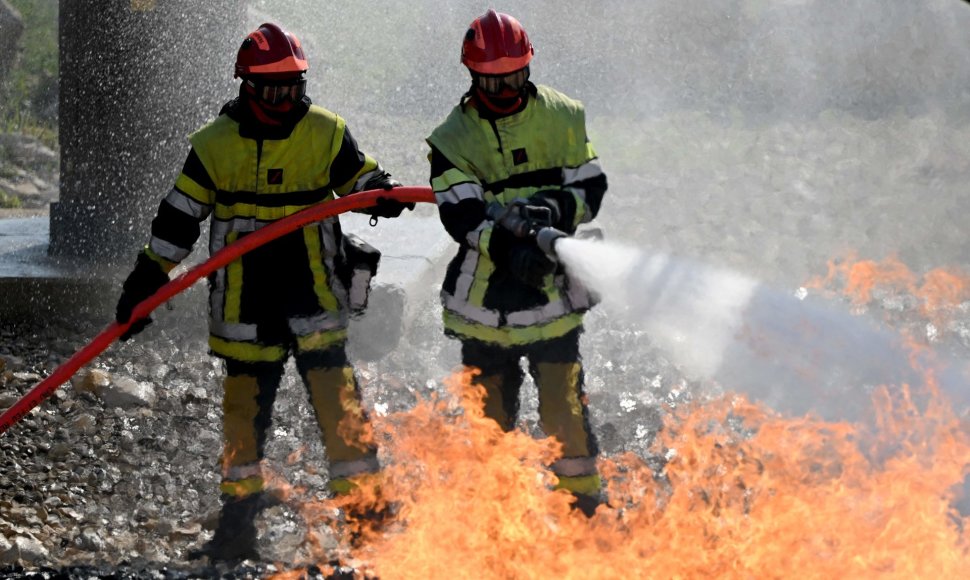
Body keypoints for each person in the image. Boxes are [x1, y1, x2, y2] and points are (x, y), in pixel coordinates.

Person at [114, 22, 412, 561]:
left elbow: (359, 177)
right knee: (242, 423)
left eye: (293, 86)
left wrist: (379, 193)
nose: (284, 99)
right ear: (246, 86)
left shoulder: (324, 131)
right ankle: (235, 531)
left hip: (314, 300)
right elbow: (179, 218)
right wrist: (147, 277)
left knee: (340, 411)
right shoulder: (214, 145)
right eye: (273, 89)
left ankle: (368, 525)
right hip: (246, 307)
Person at [426, 10, 609, 516]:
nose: (504, 86)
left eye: (513, 74)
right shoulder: (451, 140)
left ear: (528, 66)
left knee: (565, 412)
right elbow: (461, 216)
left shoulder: (564, 116)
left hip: (552, 304)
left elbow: (590, 188)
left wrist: (553, 210)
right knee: (488, 425)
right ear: (472, 74)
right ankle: (496, 524)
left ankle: (584, 513)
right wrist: (509, 249)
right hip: (484, 308)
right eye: (492, 77)